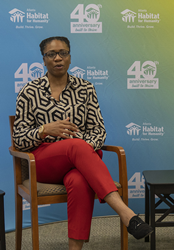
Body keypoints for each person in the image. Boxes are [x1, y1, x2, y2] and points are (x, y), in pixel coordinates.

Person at [13, 36, 153, 250]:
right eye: (52, 54)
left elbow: (98, 130)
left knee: (79, 180)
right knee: (76, 146)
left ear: (70, 58)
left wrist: (80, 146)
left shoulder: (85, 88)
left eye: (63, 53)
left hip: (81, 160)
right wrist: (44, 130)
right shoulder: (29, 92)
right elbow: (19, 139)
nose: (58, 58)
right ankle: (127, 214)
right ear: (43, 59)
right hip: (43, 162)